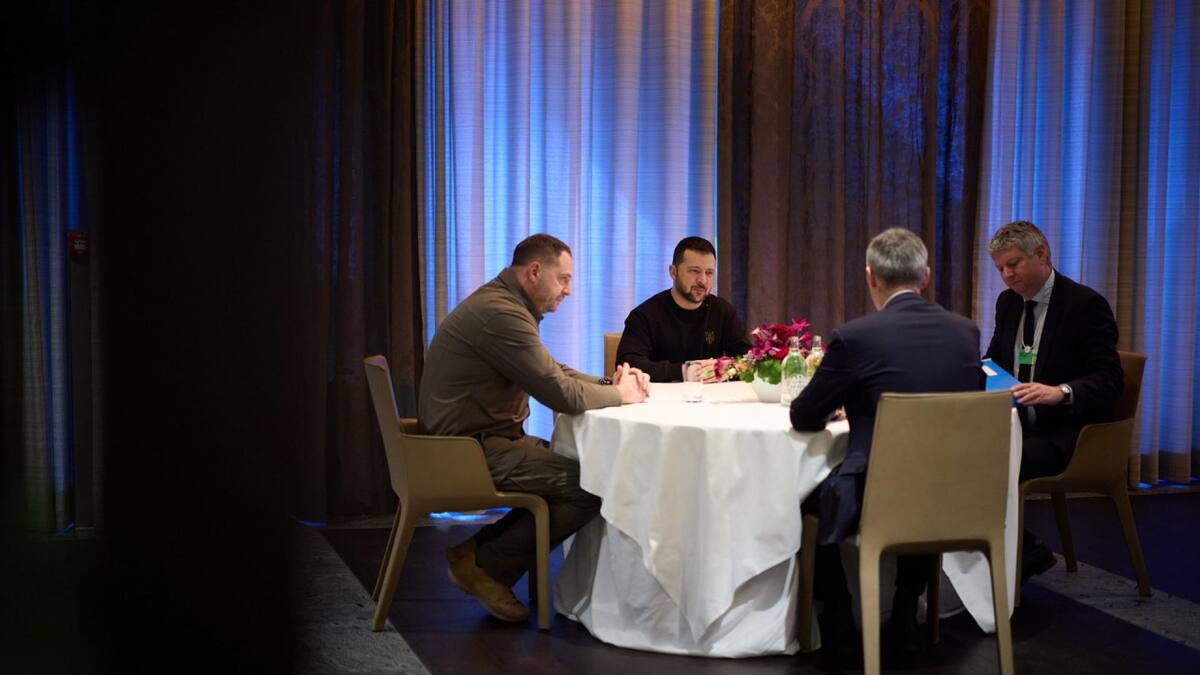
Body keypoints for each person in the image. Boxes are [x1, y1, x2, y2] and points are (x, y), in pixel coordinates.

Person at [418, 233, 649, 623]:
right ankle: (485, 566)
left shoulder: (504, 305)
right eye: (564, 279)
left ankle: (478, 555)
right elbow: (562, 396)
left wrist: (611, 385)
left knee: (584, 472)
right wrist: (623, 395)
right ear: (535, 271)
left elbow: (552, 371)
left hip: (473, 443)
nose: (569, 291)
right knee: (591, 484)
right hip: (467, 452)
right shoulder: (502, 315)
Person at [790, 228, 983, 664]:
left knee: (801, 499)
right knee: (924, 477)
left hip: (878, 497)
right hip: (957, 495)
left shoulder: (856, 337)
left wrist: (848, 404)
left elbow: (803, 415)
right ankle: (905, 612)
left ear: (870, 276)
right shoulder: (965, 332)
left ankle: (837, 619)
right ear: (926, 275)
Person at [984, 220, 1123, 582]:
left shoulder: (1084, 305)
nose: (1006, 275)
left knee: (986, 464)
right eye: (1000, 268)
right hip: (1016, 425)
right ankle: (1009, 553)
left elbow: (1110, 381)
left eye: (1012, 264)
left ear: (1041, 253)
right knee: (956, 453)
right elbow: (995, 362)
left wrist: (1059, 392)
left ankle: (1014, 558)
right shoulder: (1008, 303)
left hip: (1068, 434)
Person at [615, 236, 751, 382]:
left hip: (713, 400)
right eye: (694, 271)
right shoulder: (644, 315)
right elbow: (628, 365)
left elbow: (750, 360)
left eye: (709, 273)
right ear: (673, 272)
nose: (703, 281)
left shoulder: (723, 311)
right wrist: (687, 371)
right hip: (660, 401)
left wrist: (725, 368)